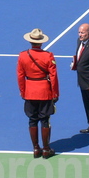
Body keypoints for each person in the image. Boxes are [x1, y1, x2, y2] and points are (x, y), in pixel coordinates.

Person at [17, 29, 59, 159]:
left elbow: (20, 76)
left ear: (30, 41)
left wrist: (23, 91)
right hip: (44, 92)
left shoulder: (23, 56)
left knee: (32, 120)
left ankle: (35, 148)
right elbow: (53, 76)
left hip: (30, 91)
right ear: (41, 43)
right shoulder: (48, 56)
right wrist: (55, 93)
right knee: (45, 120)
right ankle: (46, 149)